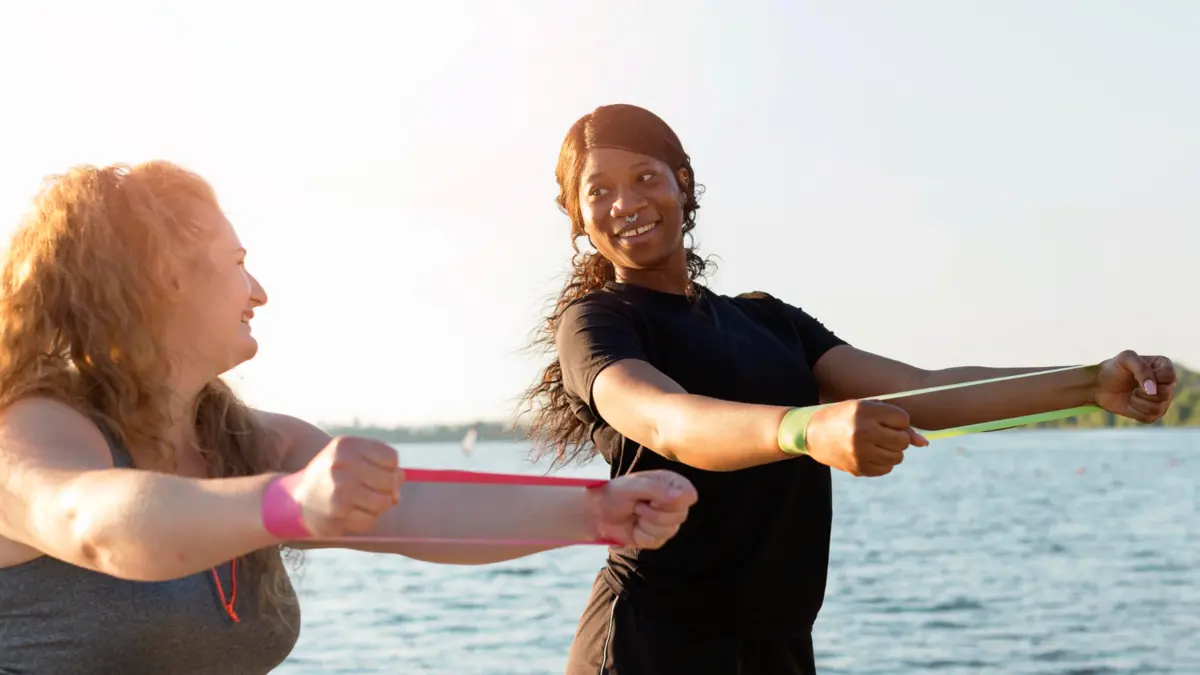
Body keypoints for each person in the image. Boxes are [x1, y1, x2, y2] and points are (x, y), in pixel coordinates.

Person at [518, 103, 1178, 675]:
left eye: (643, 177)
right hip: (650, 647)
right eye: (597, 191)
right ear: (577, 215)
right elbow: (668, 421)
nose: (625, 203)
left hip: (779, 650)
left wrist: (1090, 384)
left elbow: (920, 391)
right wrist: (808, 428)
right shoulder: (597, 322)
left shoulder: (770, 320)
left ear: (682, 185)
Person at [0, 160, 700, 674]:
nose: (260, 291)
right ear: (163, 276)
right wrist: (290, 501)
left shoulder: (248, 439)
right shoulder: (32, 427)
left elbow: (411, 507)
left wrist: (597, 512)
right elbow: (93, 524)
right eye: (238, 262)